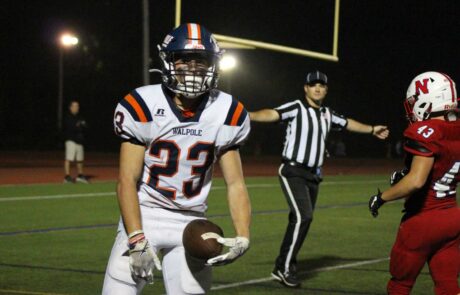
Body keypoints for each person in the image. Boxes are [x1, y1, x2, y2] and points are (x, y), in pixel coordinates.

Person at [102, 23, 251, 295]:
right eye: (183, 58)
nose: (192, 67)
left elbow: (236, 183)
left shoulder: (227, 111)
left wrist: (243, 235)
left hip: (191, 221)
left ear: (213, 64)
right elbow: (126, 179)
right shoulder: (142, 104)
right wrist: (136, 238)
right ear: (168, 61)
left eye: (201, 60)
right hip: (144, 216)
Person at [249, 70, 389, 288]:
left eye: (321, 85)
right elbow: (272, 114)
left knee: (303, 220)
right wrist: (247, 115)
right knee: (303, 216)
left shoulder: (327, 113)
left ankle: (284, 264)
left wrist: (372, 129)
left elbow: (348, 123)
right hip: (293, 170)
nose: (317, 88)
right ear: (305, 88)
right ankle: (282, 268)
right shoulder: (296, 107)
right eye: (313, 85)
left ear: (326, 89)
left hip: (313, 175)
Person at [368, 71, 460, 295]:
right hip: (452, 217)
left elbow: (417, 181)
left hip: (422, 221)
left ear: (429, 100)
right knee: (447, 283)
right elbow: (440, 169)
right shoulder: (456, 130)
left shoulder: (425, 131)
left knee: (400, 284)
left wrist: (381, 198)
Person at [63, 100, 89, 183]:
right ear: (70, 107)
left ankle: (80, 175)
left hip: (79, 141)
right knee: (69, 158)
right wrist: (78, 125)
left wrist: (81, 125)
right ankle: (67, 177)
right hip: (71, 140)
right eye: (74, 106)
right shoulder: (68, 117)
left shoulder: (80, 117)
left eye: (77, 106)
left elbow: (85, 126)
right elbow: (71, 127)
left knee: (80, 159)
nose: (76, 107)